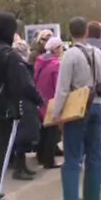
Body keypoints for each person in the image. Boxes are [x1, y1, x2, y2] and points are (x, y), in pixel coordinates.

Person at [0, 12, 43, 200]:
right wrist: (40, 101)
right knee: (1, 155)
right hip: (5, 110)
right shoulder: (9, 54)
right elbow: (24, 84)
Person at [51, 17, 101, 200]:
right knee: (95, 155)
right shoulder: (100, 54)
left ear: (70, 32)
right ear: (86, 31)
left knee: (73, 156)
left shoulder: (70, 56)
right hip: (98, 106)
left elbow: (63, 88)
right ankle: (93, 199)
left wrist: (58, 114)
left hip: (78, 109)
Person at [11, 33, 42, 181]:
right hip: (24, 103)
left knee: (23, 136)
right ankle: (19, 168)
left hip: (21, 102)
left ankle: (22, 166)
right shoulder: (21, 67)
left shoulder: (19, 65)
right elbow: (28, 86)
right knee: (23, 137)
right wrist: (38, 99)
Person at [34, 36, 64, 169]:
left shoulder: (39, 61)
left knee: (43, 131)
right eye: (61, 47)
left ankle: (40, 156)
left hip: (40, 99)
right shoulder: (56, 65)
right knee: (51, 132)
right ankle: (49, 160)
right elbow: (59, 85)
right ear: (56, 49)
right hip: (51, 100)